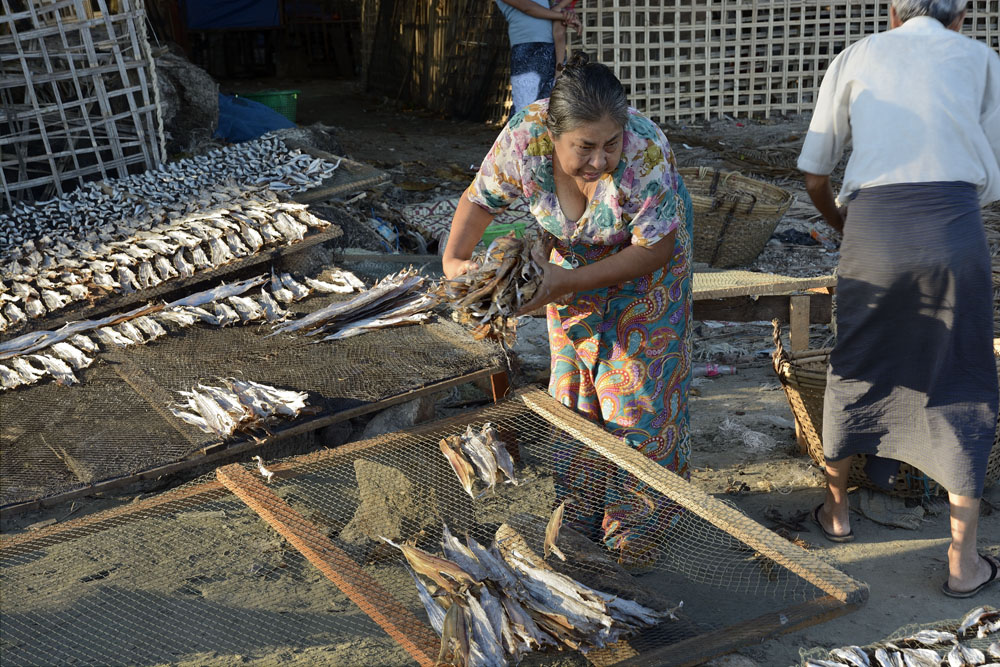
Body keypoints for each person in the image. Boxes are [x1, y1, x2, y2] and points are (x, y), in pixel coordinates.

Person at [443, 53, 693, 565]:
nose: (599, 161)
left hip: (648, 267)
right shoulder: (523, 138)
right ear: (553, 135)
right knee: (574, 387)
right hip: (568, 261)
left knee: (635, 391)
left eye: (610, 144)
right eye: (584, 147)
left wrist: (564, 283)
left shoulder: (646, 153)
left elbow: (656, 248)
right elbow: (479, 201)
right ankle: (579, 514)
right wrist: (456, 263)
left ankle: (636, 531)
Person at [797, 0, 1000, 597]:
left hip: (873, 231)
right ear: (960, 13)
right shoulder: (983, 59)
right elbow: (991, 177)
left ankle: (836, 515)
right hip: (954, 230)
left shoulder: (857, 55)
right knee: (962, 372)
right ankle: (962, 564)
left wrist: (844, 225)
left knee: (856, 363)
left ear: (892, 11)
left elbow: (814, 171)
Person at [496, 0, 581, 114]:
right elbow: (528, 7)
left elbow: (559, 33)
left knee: (551, 107)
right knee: (526, 109)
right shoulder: (554, 12)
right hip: (528, 49)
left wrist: (563, 13)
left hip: (552, 49)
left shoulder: (553, 7)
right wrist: (562, 15)